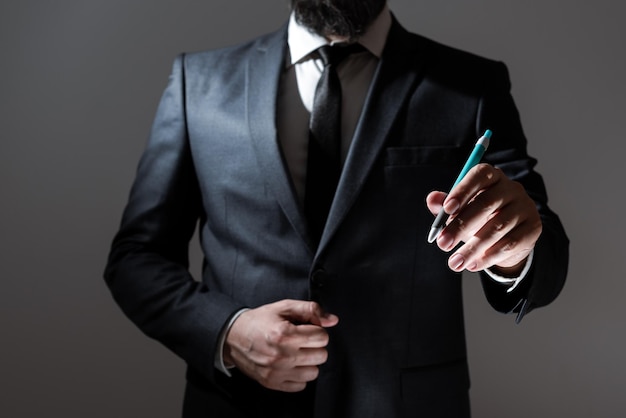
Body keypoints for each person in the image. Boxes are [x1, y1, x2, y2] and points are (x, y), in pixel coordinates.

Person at [104, 1, 568, 417]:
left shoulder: (472, 84)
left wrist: (514, 249)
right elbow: (136, 259)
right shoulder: (198, 83)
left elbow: (543, 249)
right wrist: (228, 332)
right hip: (237, 405)